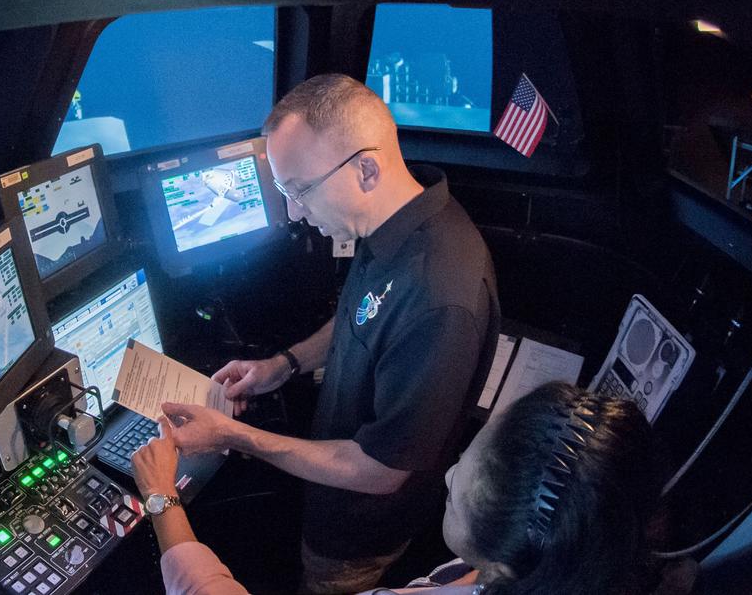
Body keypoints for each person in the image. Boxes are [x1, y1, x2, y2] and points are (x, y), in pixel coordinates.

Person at [163, 74, 500, 593]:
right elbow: (356, 314)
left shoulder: (441, 299)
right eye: (283, 191)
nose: (295, 214)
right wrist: (282, 366)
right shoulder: (391, 223)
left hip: (357, 528)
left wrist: (233, 435)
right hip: (328, 488)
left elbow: (380, 470)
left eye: (299, 191)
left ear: (366, 168)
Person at [131, 382, 661, 595]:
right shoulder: (550, 567)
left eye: (467, 472)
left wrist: (162, 500)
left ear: (509, 546)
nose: (450, 472)